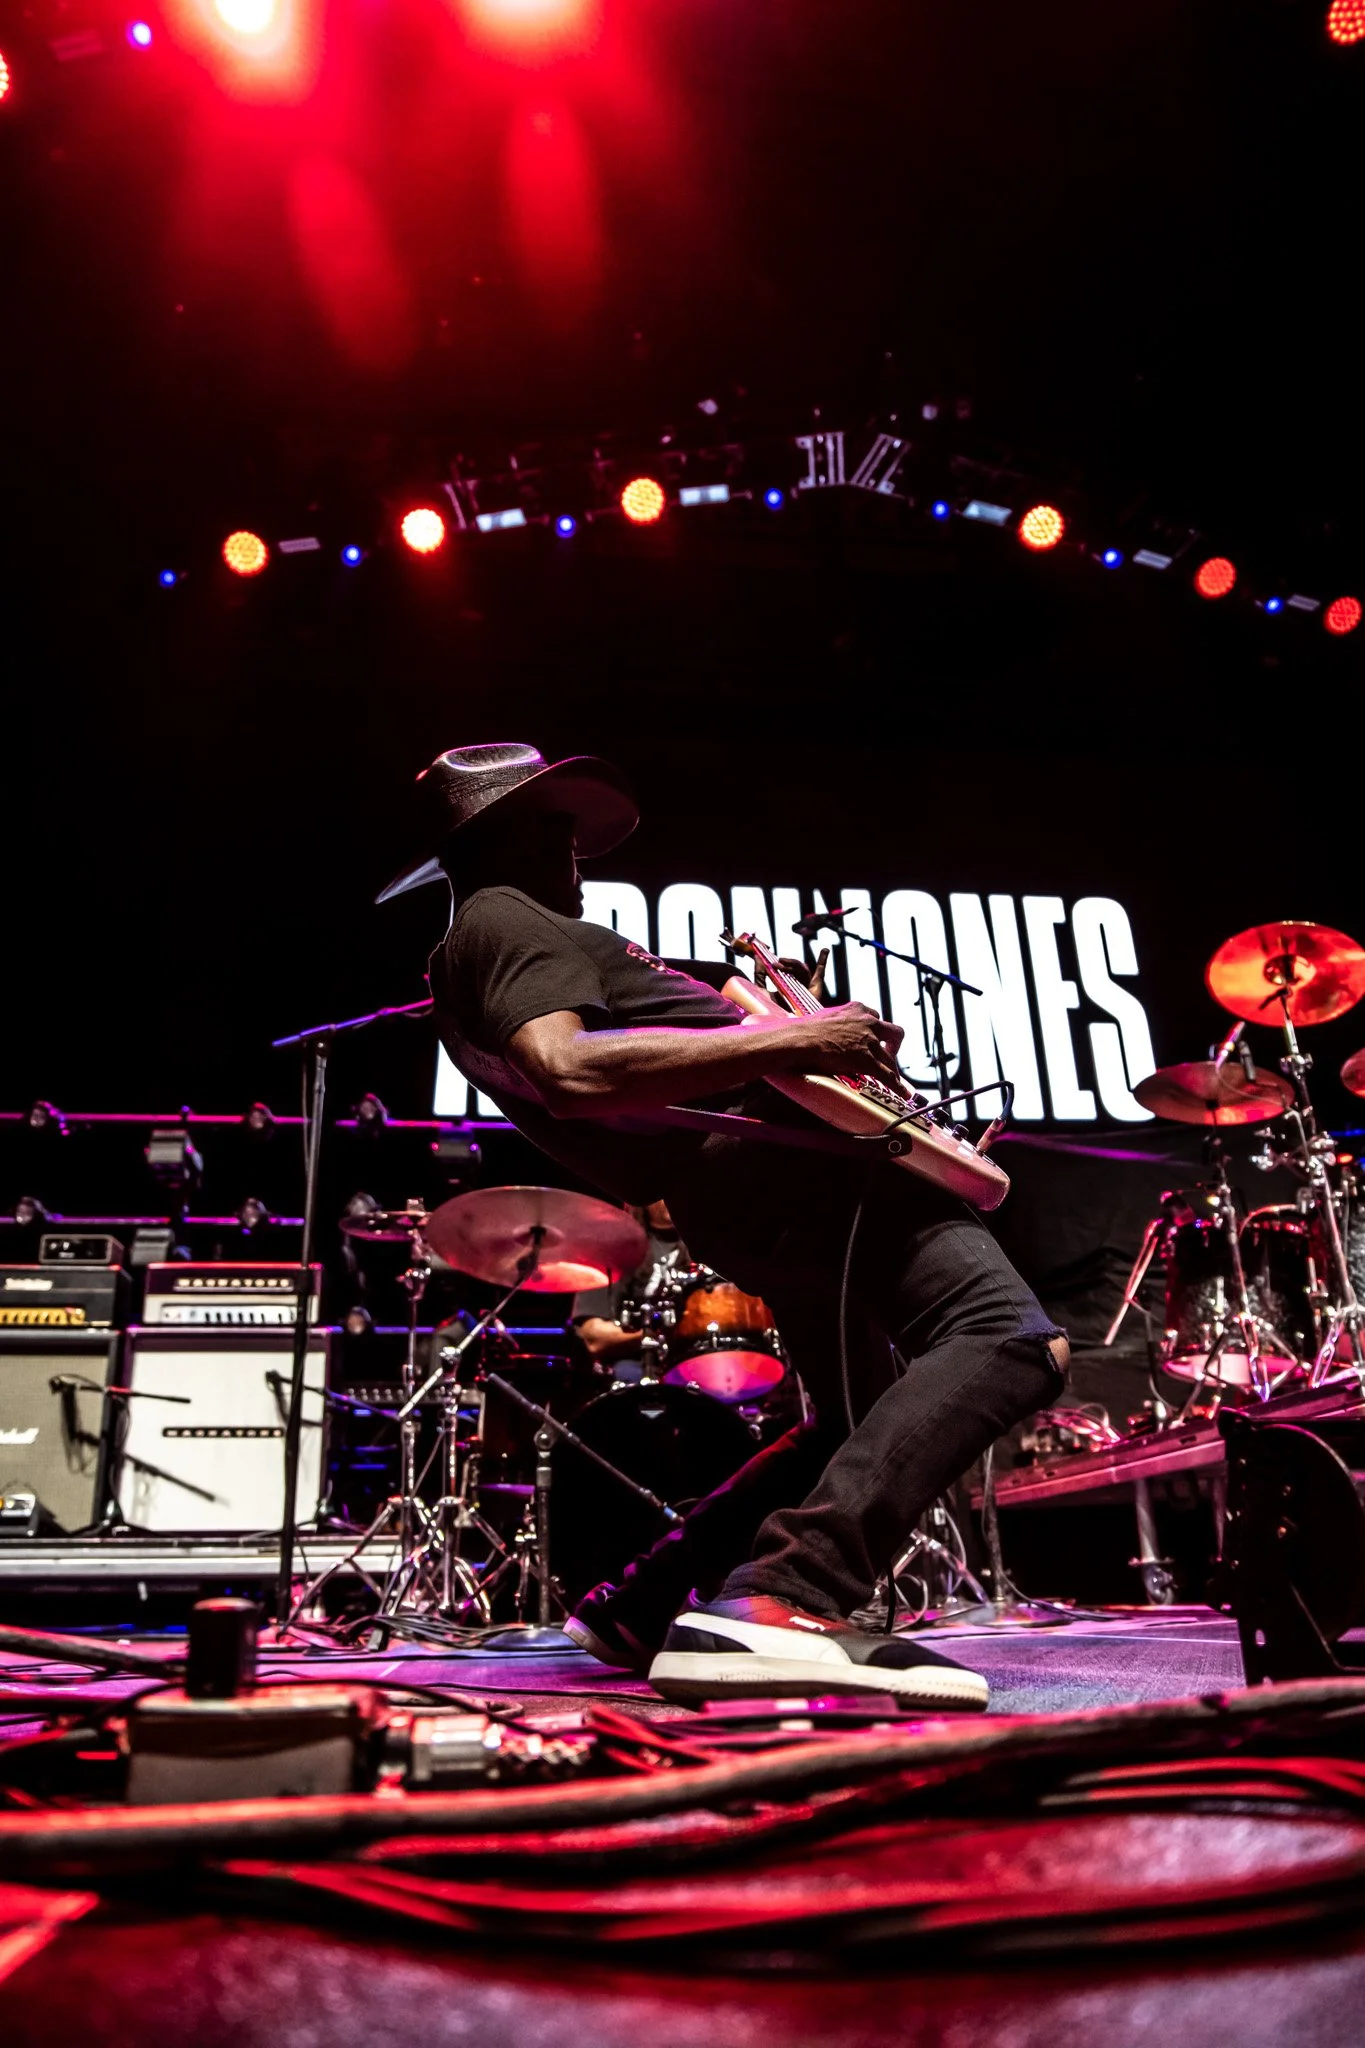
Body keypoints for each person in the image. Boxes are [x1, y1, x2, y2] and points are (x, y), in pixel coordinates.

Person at [379, 742, 1069, 1709]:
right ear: (519, 840)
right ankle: (787, 1597)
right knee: (1008, 1342)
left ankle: (648, 1601)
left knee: (847, 1420)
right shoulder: (505, 918)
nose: (578, 858)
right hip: (800, 1175)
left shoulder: (479, 944)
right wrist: (799, 1035)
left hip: (750, 1188)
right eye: (562, 834)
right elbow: (569, 1070)